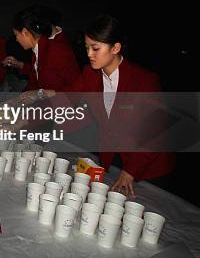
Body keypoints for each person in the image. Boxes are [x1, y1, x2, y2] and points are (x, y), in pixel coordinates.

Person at [40, 15, 175, 198]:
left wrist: (131, 171)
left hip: (148, 167)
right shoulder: (90, 74)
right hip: (115, 158)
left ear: (116, 48)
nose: (89, 54)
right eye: (87, 48)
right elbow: (66, 99)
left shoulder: (144, 81)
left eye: (95, 48)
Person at [3, 6, 80, 92]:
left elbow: (76, 89)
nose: (16, 39)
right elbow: (36, 76)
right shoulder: (38, 49)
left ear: (25, 32)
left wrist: (38, 95)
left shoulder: (57, 51)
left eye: (16, 35)